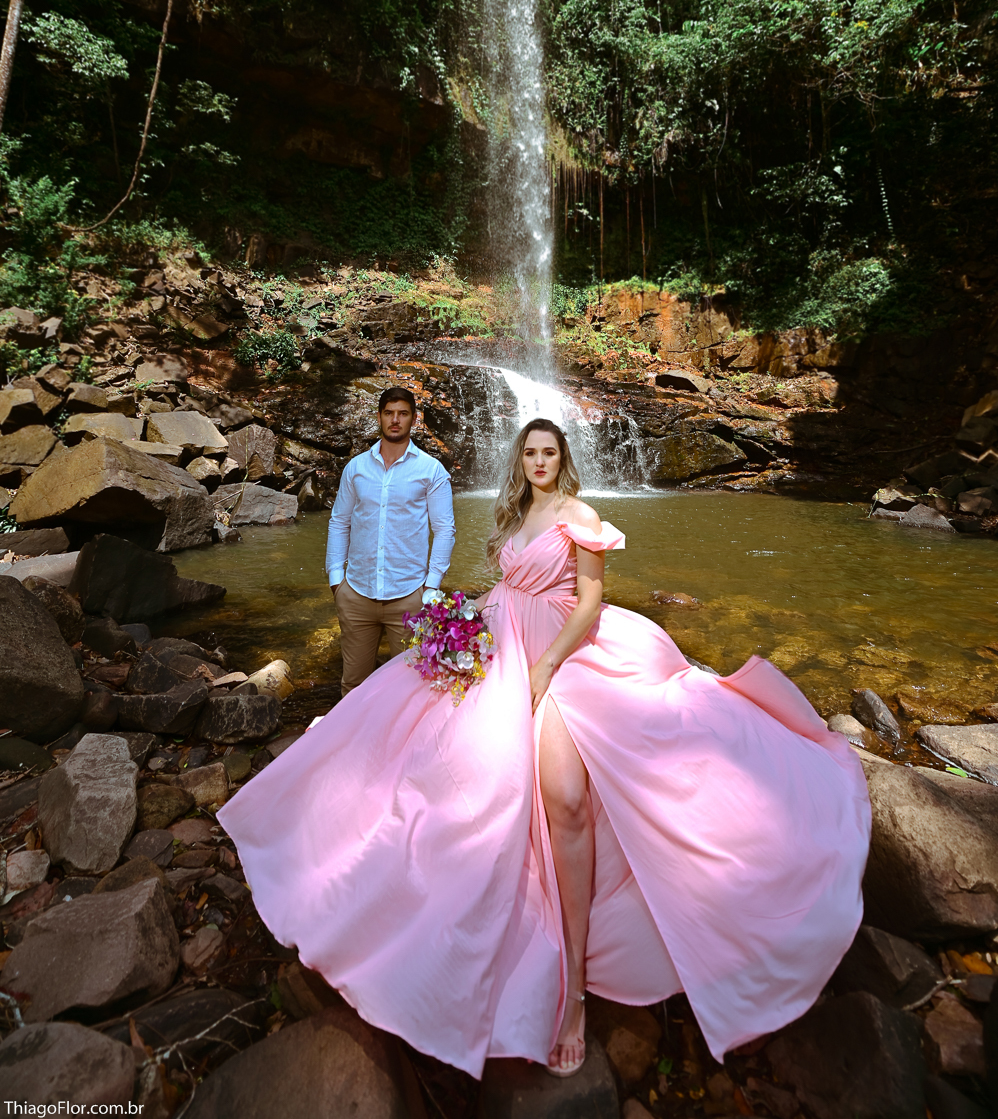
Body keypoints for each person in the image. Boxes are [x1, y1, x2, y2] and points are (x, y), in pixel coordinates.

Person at [219, 417, 871, 1081]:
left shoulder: (578, 516)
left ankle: (575, 989)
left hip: (565, 654)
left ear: (562, 458)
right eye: (529, 452)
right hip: (503, 642)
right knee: (430, 752)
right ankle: (380, 897)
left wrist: (547, 665)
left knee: (564, 796)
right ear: (521, 459)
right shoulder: (513, 513)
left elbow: (590, 600)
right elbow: (508, 588)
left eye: (549, 452)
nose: (538, 461)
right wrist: (460, 622)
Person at [325, 386, 456, 696]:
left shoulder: (431, 470)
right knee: (353, 686)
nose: (395, 420)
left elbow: (444, 530)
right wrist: (336, 579)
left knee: (412, 689)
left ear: (414, 419)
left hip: (409, 596)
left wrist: (431, 587)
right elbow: (339, 522)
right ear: (379, 417)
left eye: (403, 413)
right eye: (389, 413)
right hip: (357, 594)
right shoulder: (356, 468)